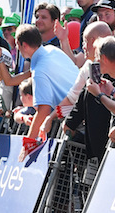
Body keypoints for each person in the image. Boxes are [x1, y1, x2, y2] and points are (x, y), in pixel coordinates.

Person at [12, 24, 78, 159]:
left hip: (73, 120)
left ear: (23, 45)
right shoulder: (52, 50)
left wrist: (28, 143)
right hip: (76, 114)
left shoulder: (39, 71)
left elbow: (43, 110)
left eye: (17, 45)